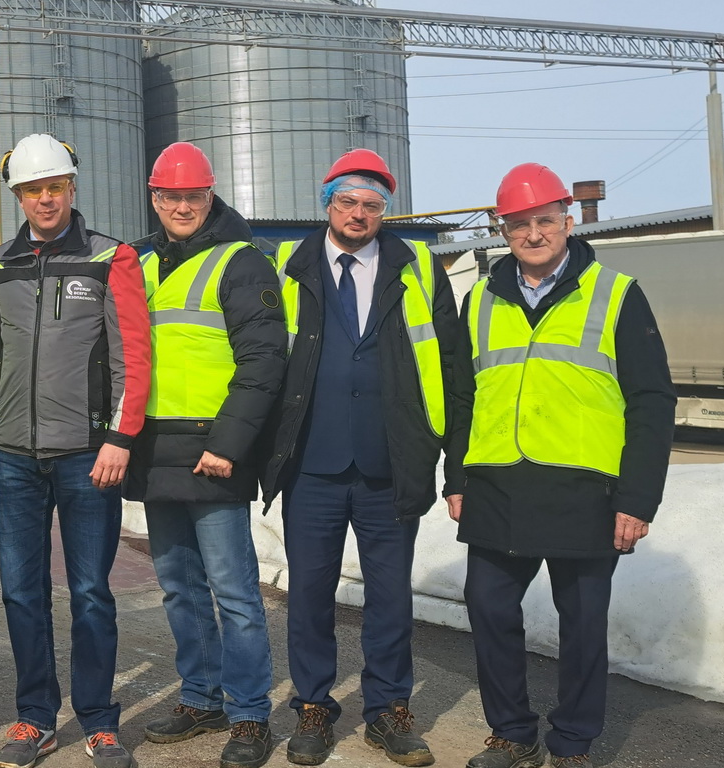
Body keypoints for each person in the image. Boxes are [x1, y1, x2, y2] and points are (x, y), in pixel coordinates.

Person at [443, 163, 675, 768]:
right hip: (496, 484)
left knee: (583, 624)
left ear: (567, 221)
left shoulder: (616, 294)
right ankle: (511, 732)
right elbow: (462, 396)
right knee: (488, 608)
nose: (533, 234)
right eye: (518, 224)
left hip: (585, 490)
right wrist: (456, 477)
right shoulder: (480, 298)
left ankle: (572, 741)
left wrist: (637, 498)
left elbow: (652, 401)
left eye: (545, 220)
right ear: (502, 230)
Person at [261, 149, 457, 768]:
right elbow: (262, 359)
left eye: (372, 205)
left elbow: (451, 364)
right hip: (311, 464)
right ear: (327, 205)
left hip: (390, 463)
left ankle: (388, 710)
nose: (359, 214)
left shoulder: (418, 267)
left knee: (390, 597)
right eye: (347, 201)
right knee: (310, 595)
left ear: (384, 212)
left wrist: (447, 455)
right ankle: (313, 708)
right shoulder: (287, 266)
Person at [0, 133, 151, 768]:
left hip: (87, 456)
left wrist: (120, 438)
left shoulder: (111, 258)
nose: (45, 199)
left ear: (72, 188)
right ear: (18, 197)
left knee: (90, 592)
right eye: (32, 190)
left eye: (54, 187)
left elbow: (134, 354)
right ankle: (35, 719)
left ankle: (99, 721)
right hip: (17, 459)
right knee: (21, 593)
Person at [127, 142, 285, 768]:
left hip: (213, 451)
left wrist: (228, 445)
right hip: (155, 450)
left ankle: (249, 714)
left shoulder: (242, 261)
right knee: (178, 587)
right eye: (171, 196)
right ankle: (201, 697)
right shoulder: (138, 262)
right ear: (155, 197)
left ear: (209, 195)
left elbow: (264, 361)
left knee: (234, 592)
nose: (182, 207)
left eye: (193, 196)